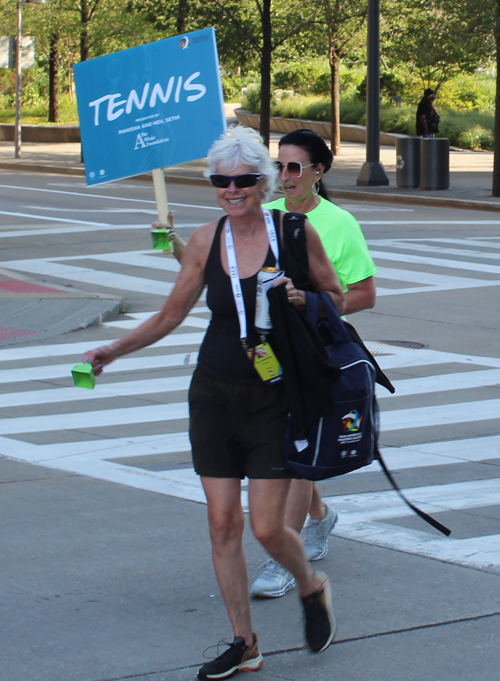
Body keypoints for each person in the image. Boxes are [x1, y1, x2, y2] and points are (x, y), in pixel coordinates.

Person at [83, 126, 345, 680]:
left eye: (244, 179)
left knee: (268, 530)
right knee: (222, 524)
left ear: (263, 181)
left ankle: (310, 585)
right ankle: (244, 643)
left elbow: (337, 297)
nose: (232, 189)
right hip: (213, 396)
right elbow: (170, 314)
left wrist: (303, 297)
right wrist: (114, 348)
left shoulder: (293, 233)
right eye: (221, 181)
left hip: (275, 400)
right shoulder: (206, 240)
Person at [249, 128, 377, 599]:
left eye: (294, 167)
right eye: (278, 166)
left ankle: (286, 557)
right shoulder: (265, 216)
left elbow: (364, 294)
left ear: (318, 172)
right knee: (288, 448)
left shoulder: (339, 224)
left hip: (316, 351)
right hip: (266, 352)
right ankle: (320, 517)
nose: (283, 177)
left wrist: (313, 305)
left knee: (299, 452)